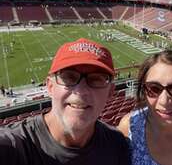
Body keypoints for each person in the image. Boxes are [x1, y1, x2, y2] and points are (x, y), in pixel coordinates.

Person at [0, 38, 130, 165]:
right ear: (50, 87)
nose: (81, 91)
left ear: (110, 92)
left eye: (96, 79)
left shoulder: (118, 144)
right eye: (69, 77)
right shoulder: (13, 147)